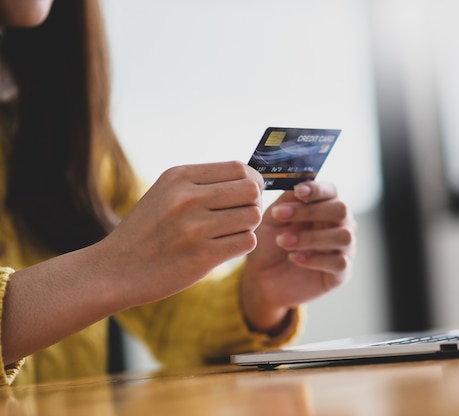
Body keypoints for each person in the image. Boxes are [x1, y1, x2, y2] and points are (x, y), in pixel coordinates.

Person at [0, 0, 356, 386]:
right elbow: (130, 269)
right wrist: (111, 269)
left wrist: (261, 296)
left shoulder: (71, 137)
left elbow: (167, 314)